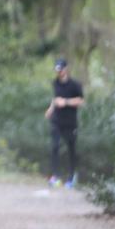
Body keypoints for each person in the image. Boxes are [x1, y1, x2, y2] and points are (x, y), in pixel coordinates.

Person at [44, 57, 84, 188]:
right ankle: (55, 176)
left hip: (70, 122)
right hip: (57, 120)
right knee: (55, 147)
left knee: (71, 148)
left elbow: (81, 101)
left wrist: (66, 102)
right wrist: (51, 109)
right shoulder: (55, 83)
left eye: (61, 69)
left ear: (66, 69)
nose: (59, 72)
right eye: (57, 70)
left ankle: (72, 176)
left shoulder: (75, 84)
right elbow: (56, 98)